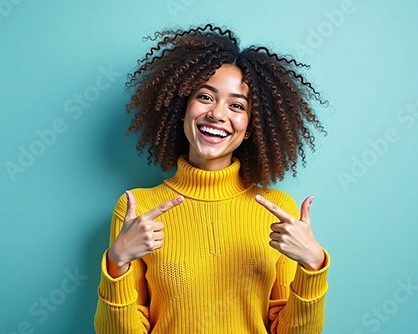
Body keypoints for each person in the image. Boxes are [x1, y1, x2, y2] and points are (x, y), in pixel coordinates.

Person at [94, 24, 330, 333]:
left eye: (236, 105)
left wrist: (313, 266)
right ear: (182, 108)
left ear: (251, 127)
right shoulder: (137, 209)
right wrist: (117, 260)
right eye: (205, 97)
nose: (218, 114)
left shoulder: (277, 210)